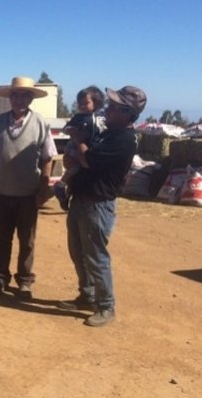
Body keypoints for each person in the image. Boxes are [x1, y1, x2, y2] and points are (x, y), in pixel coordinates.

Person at [57, 86, 146, 327]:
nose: (108, 108)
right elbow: (81, 159)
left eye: (114, 106)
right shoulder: (109, 133)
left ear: (127, 113)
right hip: (82, 199)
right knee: (78, 252)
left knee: (96, 257)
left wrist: (77, 141)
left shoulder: (124, 140)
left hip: (97, 205)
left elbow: (90, 160)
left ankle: (106, 305)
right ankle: (87, 295)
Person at [0, 76, 56, 298]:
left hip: (28, 194)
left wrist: (44, 189)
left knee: (27, 240)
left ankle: (24, 281)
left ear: (31, 99)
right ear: (10, 98)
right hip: (2, 192)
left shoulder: (41, 124)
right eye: (16, 95)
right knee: (2, 239)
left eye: (25, 95)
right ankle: (1, 278)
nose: (20, 100)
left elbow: (47, 158)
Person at [54, 86, 106, 211]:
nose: (82, 106)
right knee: (75, 167)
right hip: (75, 147)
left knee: (79, 171)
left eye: (86, 103)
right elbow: (65, 128)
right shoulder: (78, 117)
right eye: (80, 103)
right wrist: (71, 131)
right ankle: (61, 184)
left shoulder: (100, 118)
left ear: (96, 103)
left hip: (89, 149)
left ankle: (67, 195)